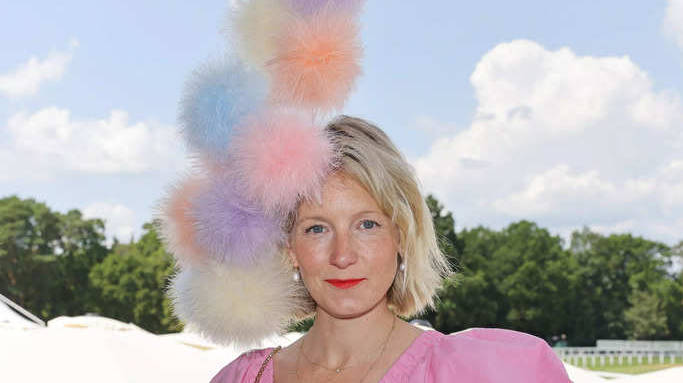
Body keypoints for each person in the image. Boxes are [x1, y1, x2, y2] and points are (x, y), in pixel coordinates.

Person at [211, 115, 572, 382]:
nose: (342, 256)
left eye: (367, 225)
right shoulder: (242, 378)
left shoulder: (488, 373)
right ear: (290, 248)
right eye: (317, 228)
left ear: (401, 236)